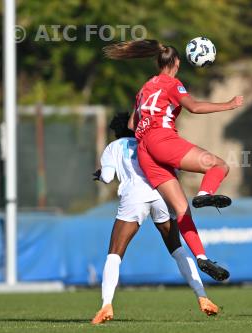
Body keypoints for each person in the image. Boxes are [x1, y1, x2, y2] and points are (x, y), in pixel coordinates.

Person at [103, 39, 243, 281]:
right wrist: (229, 105)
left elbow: (130, 125)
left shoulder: (145, 88)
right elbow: (194, 107)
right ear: (177, 62)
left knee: (181, 210)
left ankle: (201, 258)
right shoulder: (172, 83)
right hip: (161, 139)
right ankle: (203, 194)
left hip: (145, 150)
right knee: (219, 165)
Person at [91, 113, 219, 325]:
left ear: (117, 131)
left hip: (134, 198)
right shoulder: (150, 142)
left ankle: (106, 304)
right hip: (161, 193)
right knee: (177, 250)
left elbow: (107, 177)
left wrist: (100, 174)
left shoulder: (113, 148)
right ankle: (203, 296)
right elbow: (174, 166)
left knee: (114, 254)